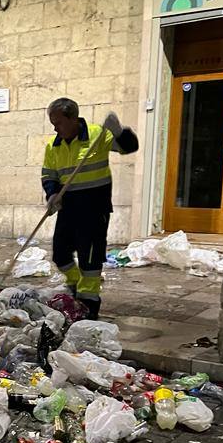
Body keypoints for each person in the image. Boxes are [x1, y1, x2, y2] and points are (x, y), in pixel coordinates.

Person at [41, 99, 139, 320]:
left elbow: (129, 147)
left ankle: (89, 304)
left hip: (94, 209)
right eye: (52, 123)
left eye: (58, 123)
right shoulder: (53, 145)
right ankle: (77, 286)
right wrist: (53, 194)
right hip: (68, 208)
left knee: (90, 260)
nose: (55, 128)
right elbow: (49, 174)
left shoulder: (97, 135)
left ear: (73, 118)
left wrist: (120, 131)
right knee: (60, 254)